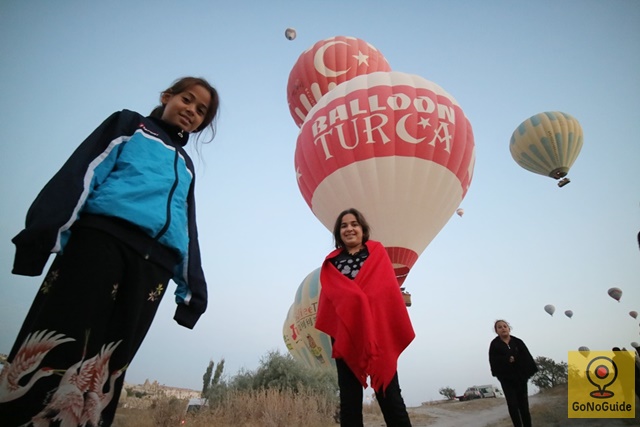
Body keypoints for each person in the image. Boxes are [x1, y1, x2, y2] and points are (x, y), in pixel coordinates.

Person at [0, 77, 220, 426]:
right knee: (61, 339)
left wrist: (193, 292)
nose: (191, 110)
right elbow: (84, 172)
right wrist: (41, 236)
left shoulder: (187, 165)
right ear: (167, 97)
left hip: (153, 270)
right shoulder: (130, 125)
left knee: (108, 363)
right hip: (102, 243)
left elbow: (186, 225)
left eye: (201, 110)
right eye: (187, 99)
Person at [315, 208, 415, 427]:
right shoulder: (331, 263)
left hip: (377, 333)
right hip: (345, 334)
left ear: (362, 229)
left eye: (354, 224)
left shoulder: (377, 253)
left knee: (389, 394)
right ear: (338, 232)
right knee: (349, 399)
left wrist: (358, 299)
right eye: (343, 226)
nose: (349, 229)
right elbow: (331, 299)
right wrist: (355, 299)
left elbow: (385, 294)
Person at [489, 320, 538, 427]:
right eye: (499, 327)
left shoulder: (518, 342)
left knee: (524, 406)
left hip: (520, 379)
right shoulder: (494, 345)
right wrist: (507, 359)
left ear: (509, 328)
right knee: (512, 405)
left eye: (504, 326)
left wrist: (518, 362)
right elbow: (494, 362)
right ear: (496, 331)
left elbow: (527, 359)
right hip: (507, 380)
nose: (503, 328)